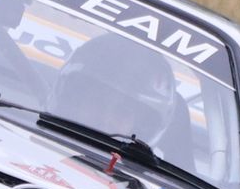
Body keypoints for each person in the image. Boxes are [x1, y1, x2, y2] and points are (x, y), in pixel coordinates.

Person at [48, 31, 182, 146]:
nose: (105, 118)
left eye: (122, 111)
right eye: (98, 102)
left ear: (141, 126)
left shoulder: (150, 175)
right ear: (75, 98)